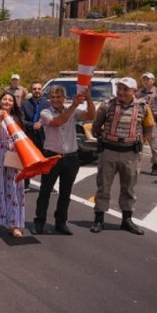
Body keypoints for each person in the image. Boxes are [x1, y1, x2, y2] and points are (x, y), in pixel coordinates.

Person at [90, 77, 155, 235]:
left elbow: (149, 126)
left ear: (134, 91)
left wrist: (140, 140)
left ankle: (127, 220)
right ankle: (99, 219)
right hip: (109, 152)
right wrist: (105, 138)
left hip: (131, 154)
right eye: (119, 88)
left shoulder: (143, 107)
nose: (121, 92)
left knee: (129, 188)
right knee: (103, 187)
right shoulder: (107, 105)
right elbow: (96, 127)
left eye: (125, 89)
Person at [32, 85, 95, 235]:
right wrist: (74, 105)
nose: (55, 100)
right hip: (52, 156)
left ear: (64, 98)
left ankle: (60, 222)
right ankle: (39, 222)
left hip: (71, 157)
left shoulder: (72, 110)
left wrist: (88, 97)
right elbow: (58, 122)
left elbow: (90, 116)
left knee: (65, 193)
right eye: (53, 97)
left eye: (58, 97)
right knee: (45, 191)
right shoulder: (45, 112)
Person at [0, 91, 25, 238]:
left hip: (13, 155)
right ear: (0, 101)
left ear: (13, 103)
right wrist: (1, 120)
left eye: (10, 100)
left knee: (14, 189)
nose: (7, 102)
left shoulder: (17, 120)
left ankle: (14, 224)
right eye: (4, 99)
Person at [20, 81, 49, 190]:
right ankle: (26, 183)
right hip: (29, 135)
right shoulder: (25, 104)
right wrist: (32, 125)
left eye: (39, 89)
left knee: (45, 160)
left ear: (42, 90)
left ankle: (46, 185)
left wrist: (41, 123)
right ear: (31, 90)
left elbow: (51, 118)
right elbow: (22, 120)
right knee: (28, 160)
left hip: (43, 136)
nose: (37, 91)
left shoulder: (47, 104)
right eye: (34, 89)